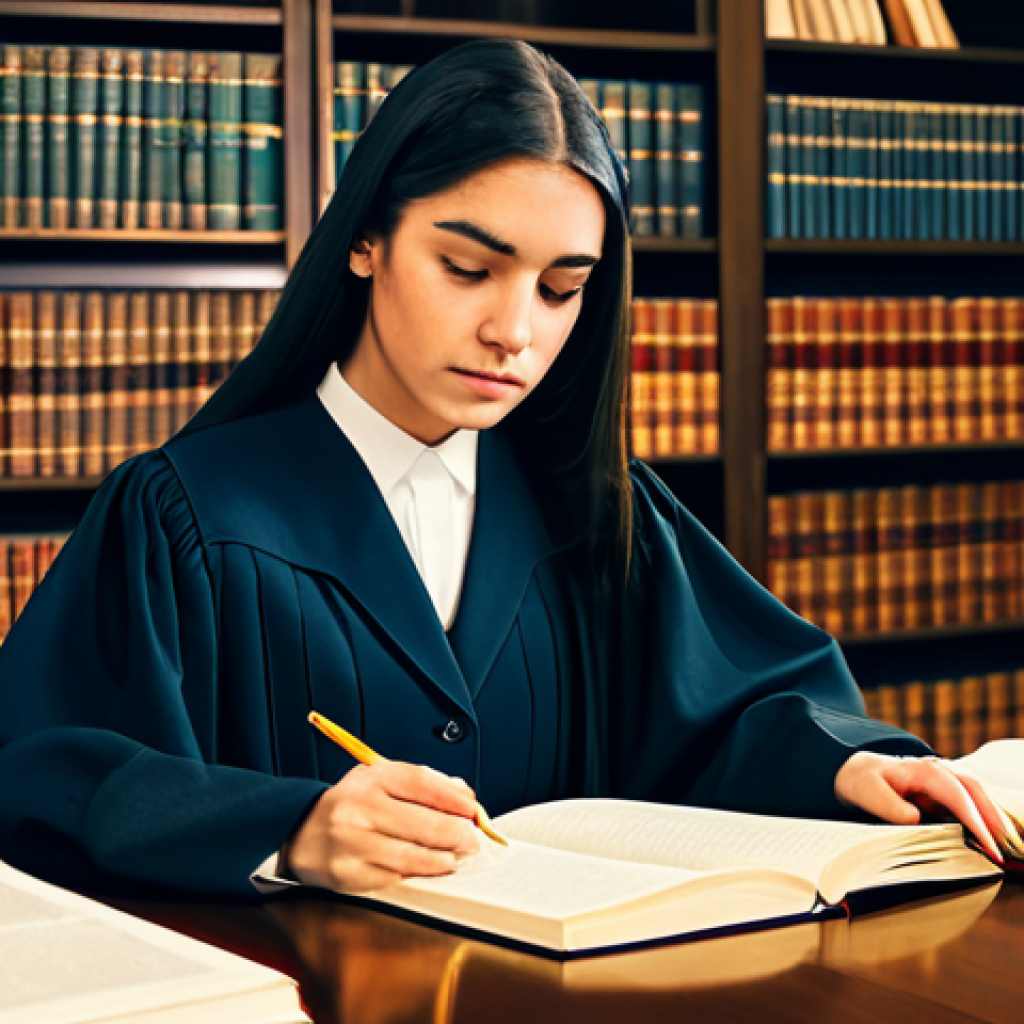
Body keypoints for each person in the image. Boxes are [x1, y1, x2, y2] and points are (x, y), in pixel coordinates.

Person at [0, 39, 1006, 901]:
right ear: (364, 239)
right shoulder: (185, 516)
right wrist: (289, 828)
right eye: (468, 268)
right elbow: (43, 774)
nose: (513, 333)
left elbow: (733, 710)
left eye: (562, 288)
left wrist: (847, 767)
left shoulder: (598, 516)